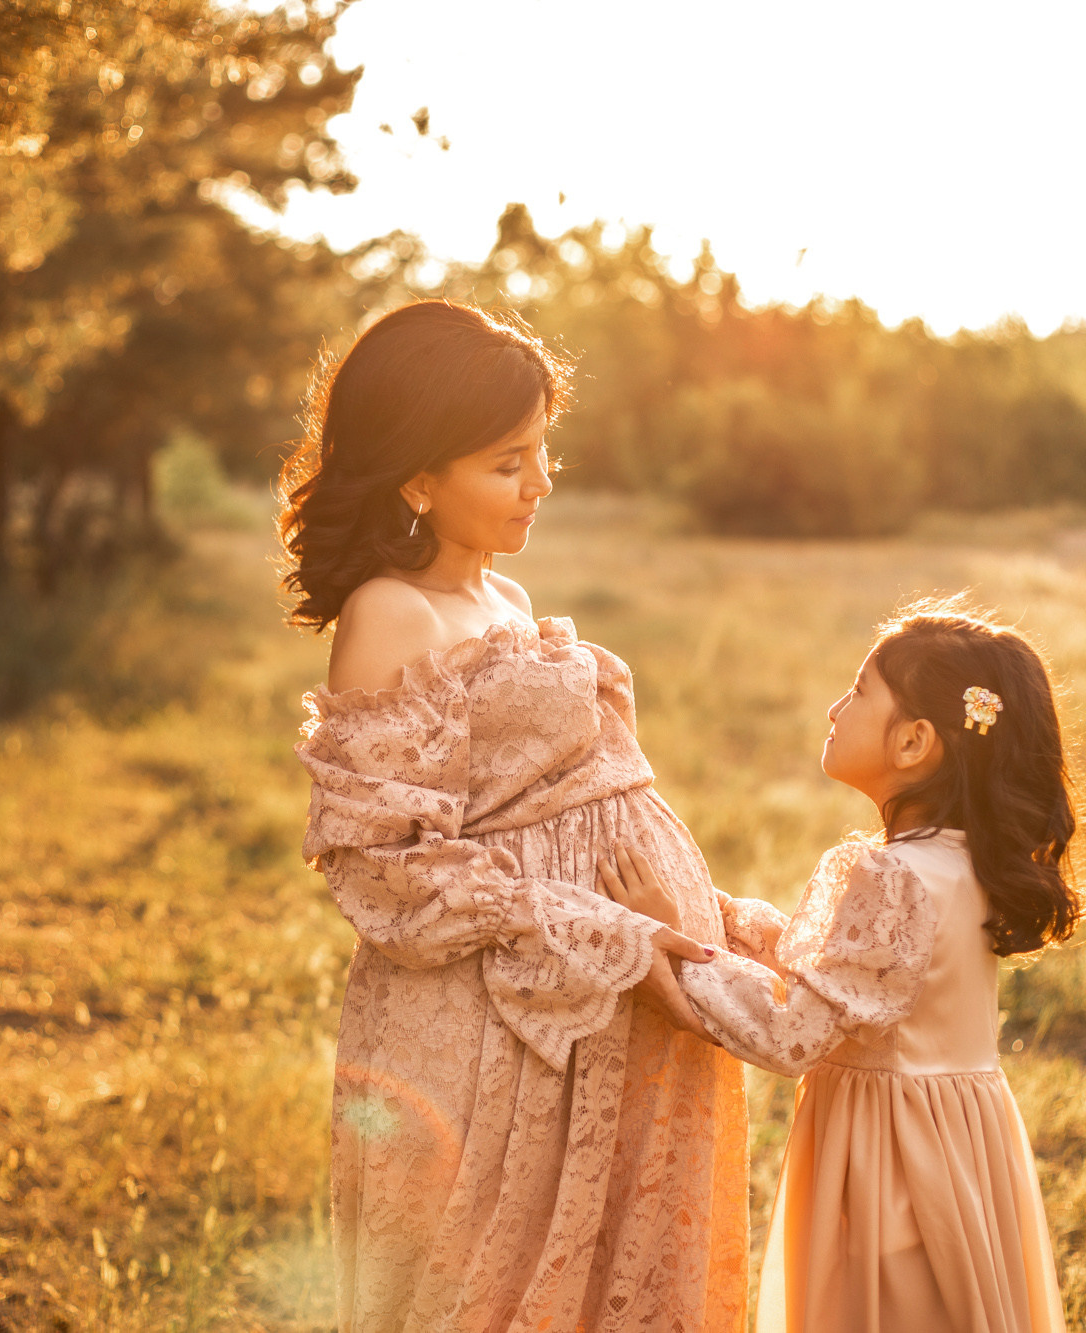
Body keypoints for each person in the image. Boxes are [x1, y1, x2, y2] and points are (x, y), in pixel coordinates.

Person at [281, 299, 748, 1332]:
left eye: (541, 451)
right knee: (480, 1287)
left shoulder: (505, 599)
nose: (539, 481)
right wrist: (595, 926)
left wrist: (680, 911)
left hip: (588, 1006)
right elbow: (388, 873)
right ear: (415, 476)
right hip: (486, 1022)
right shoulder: (390, 612)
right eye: (506, 461)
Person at [598, 600, 1086, 1332]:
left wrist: (681, 949)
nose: (835, 706)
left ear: (915, 741)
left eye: (858, 691)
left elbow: (792, 1032)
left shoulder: (889, 876)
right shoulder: (968, 861)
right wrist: (719, 917)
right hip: (962, 1148)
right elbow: (845, 981)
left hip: (888, 1163)